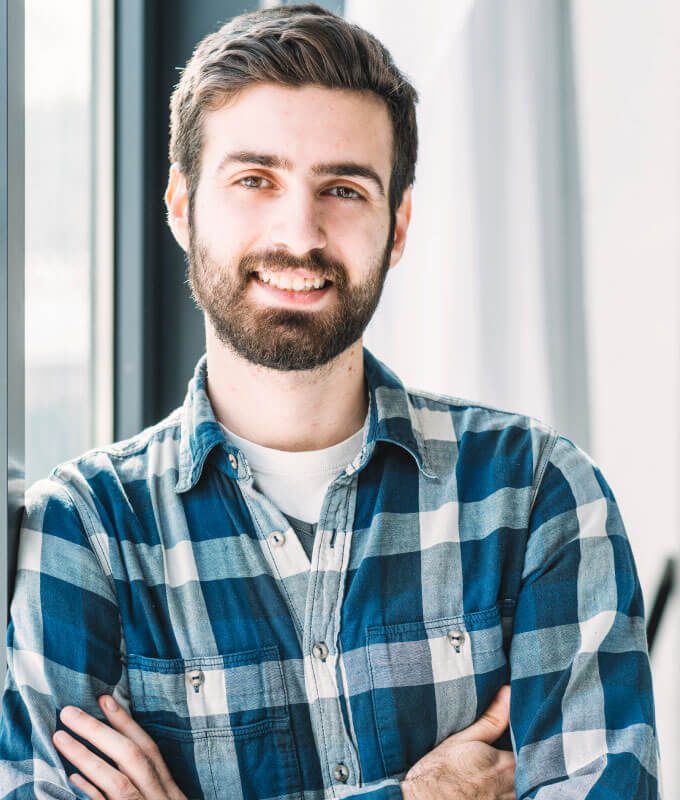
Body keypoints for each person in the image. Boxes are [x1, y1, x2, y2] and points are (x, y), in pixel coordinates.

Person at [0, 4, 659, 799]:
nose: (300, 233)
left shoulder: (536, 495)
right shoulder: (85, 533)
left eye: (343, 188)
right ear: (181, 206)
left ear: (399, 223)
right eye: (254, 179)